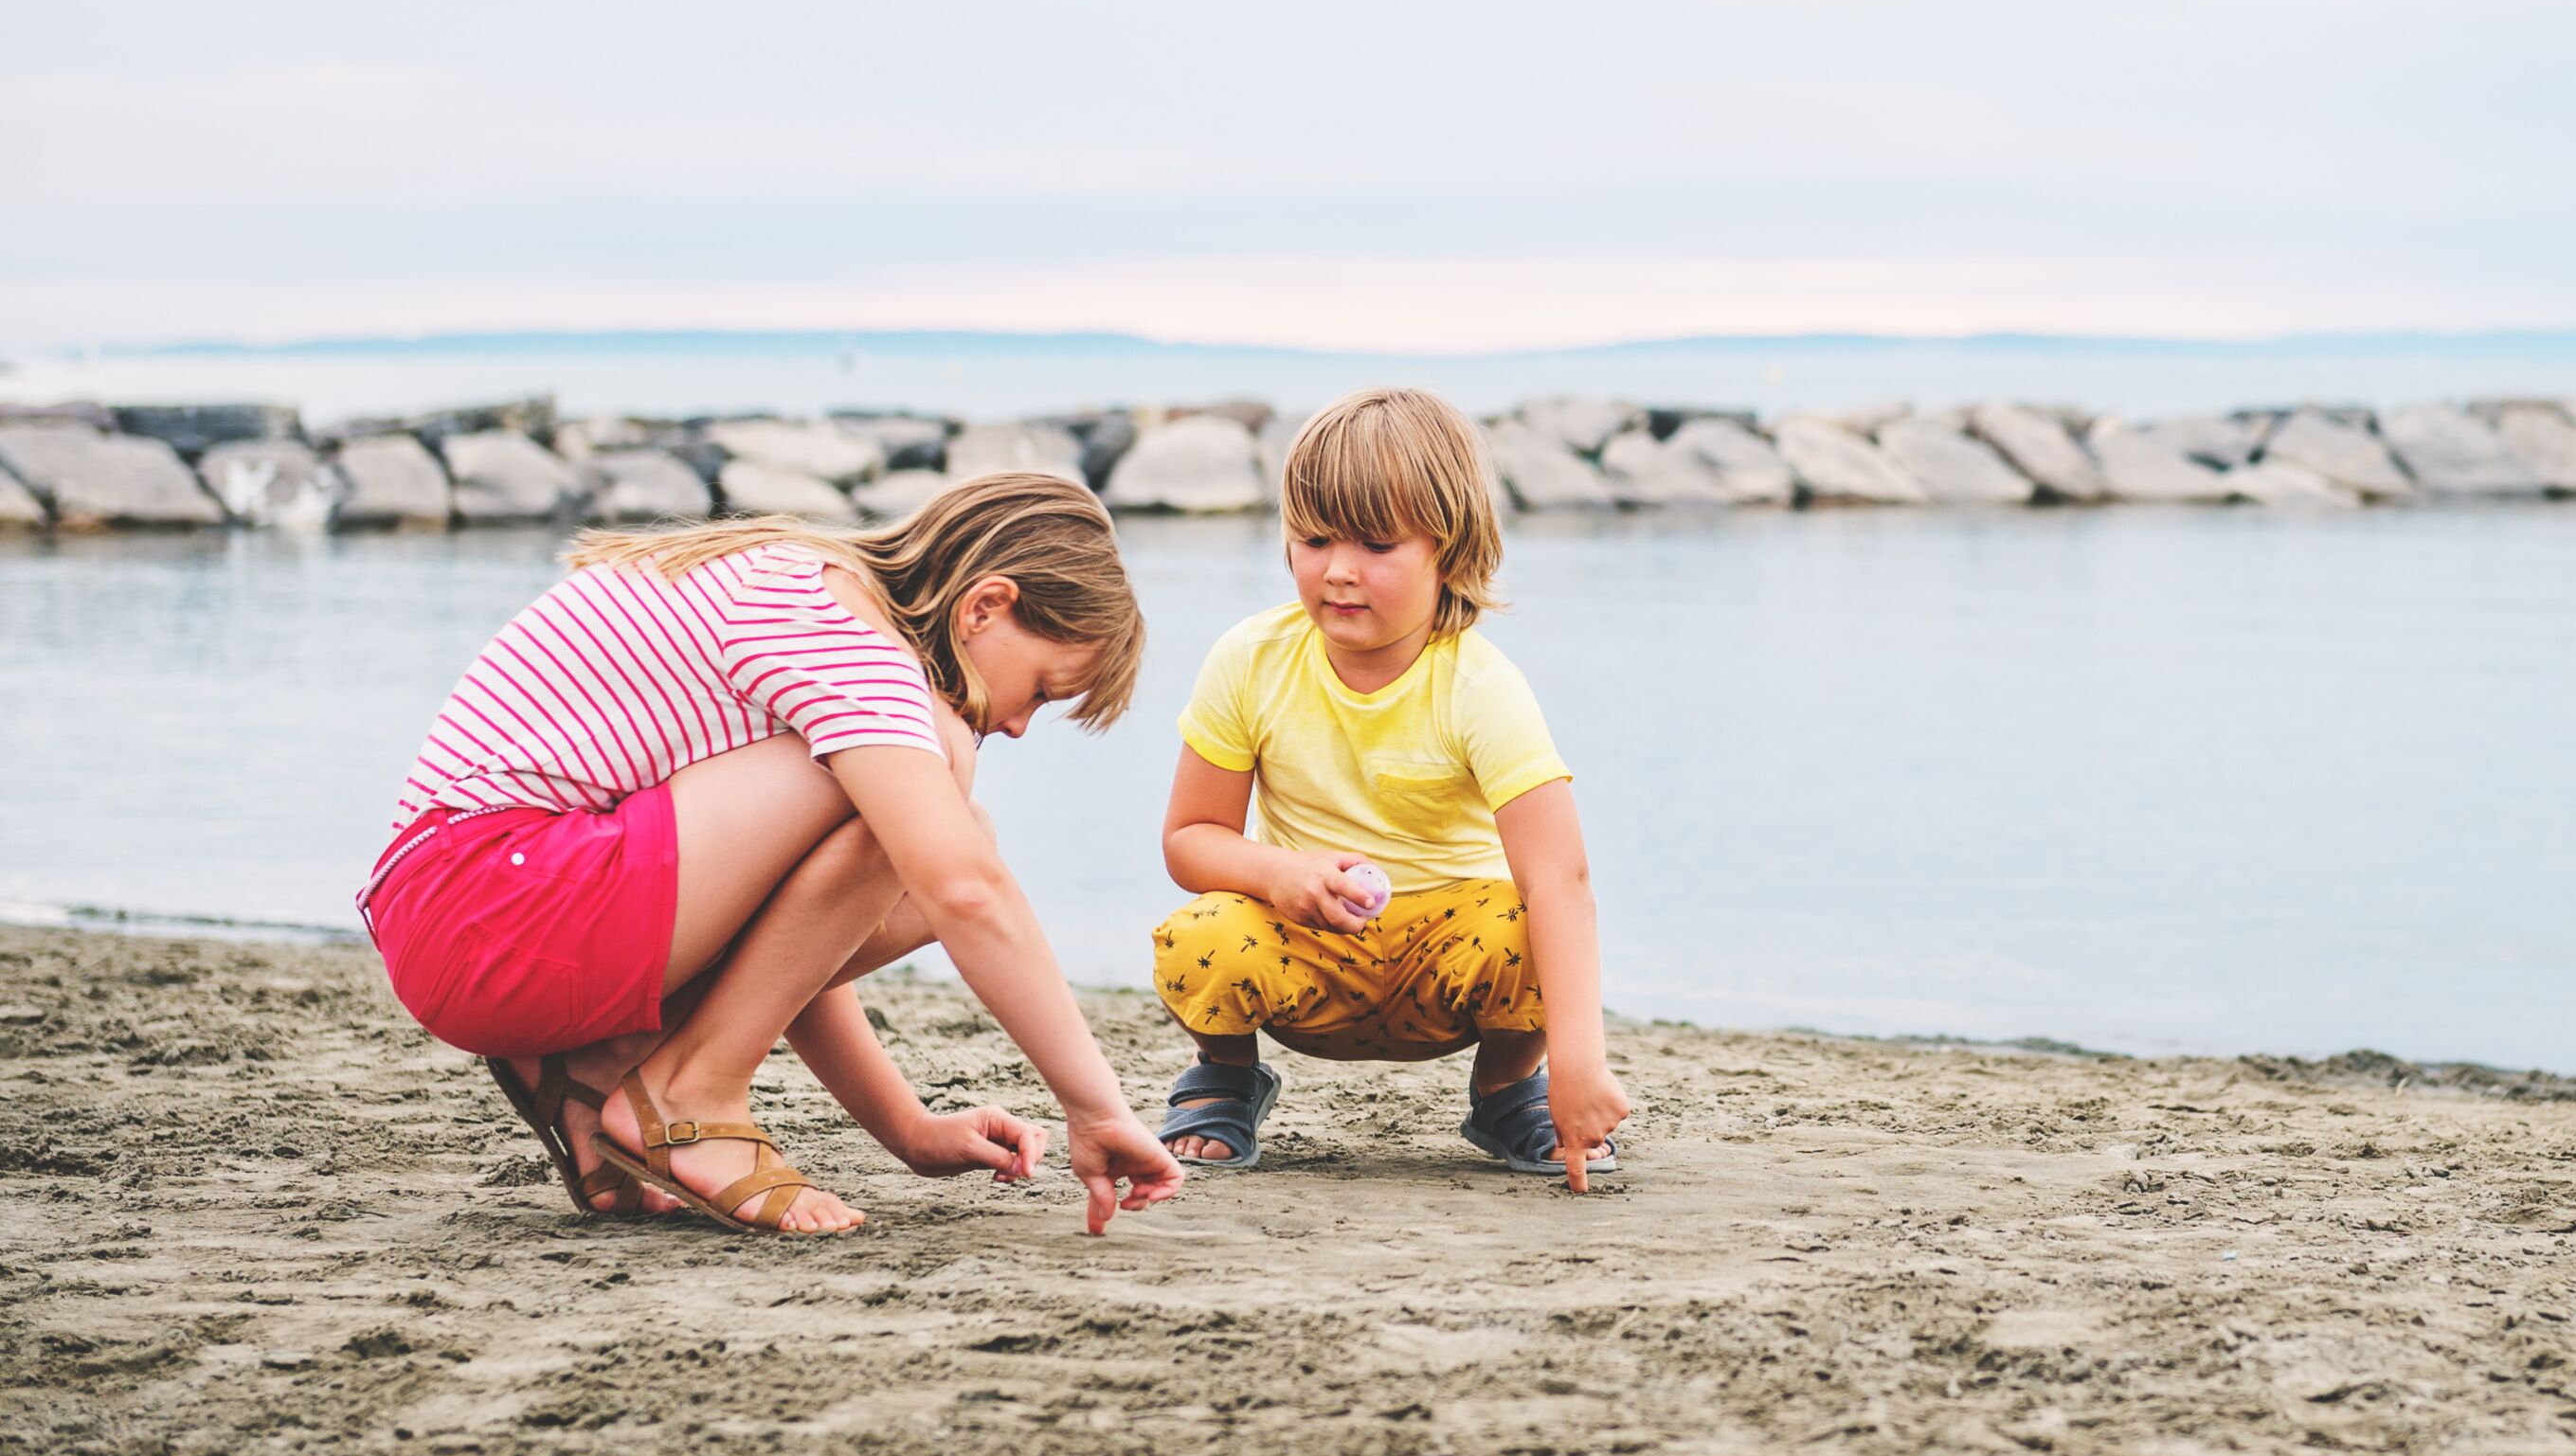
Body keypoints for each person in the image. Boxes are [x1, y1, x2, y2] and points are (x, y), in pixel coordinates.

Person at [364, 469, 1184, 1237]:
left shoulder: (803, 591)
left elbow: (793, 930)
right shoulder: (837, 628)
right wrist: (1097, 1108)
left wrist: (908, 1128)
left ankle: (597, 1066)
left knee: (935, 813)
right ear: (985, 606)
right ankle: (687, 1097)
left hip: (471, 919)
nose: (1019, 726)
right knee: (939, 784)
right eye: (1041, 689)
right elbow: (968, 892)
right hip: (489, 910)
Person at [1150, 388, 1629, 1188]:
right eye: (1313, 538)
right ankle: (1225, 1075)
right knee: (1199, 932)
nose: (1339, 569)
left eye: (1377, 543)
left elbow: (1561, 879)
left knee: (1532, 927)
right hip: (1308, 948)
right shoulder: (1249, 659)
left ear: (1451, 551)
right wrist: (1281, 873)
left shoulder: (1480, 686)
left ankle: (1509, 1088)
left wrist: (1581, 1062)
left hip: (1450, 967)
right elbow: (1189, 837)